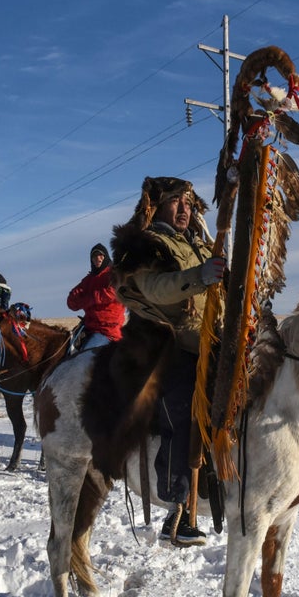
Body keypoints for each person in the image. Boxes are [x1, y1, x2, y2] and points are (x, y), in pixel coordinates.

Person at [110, 176, 226, 546]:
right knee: (183, 409)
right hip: (168, 342)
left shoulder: (197, 242)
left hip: (210, 342)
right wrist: (200, 275)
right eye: (177, 201)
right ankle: (177, 507)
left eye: (189, 203)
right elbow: (156, 288)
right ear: (156, 205)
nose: (185, 209)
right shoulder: (147, 244)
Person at [67, 243, 126, 349]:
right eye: (94, 256)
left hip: (108, 330)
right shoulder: (88, 279)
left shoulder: (114, 274)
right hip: (88, 328)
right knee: (64, 351)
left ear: (106, 256)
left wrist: (88, 299)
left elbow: (111, 293)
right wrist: (86, 301)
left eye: (101, 255)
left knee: (85, 357)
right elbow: (71, 301)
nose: (97, 258)